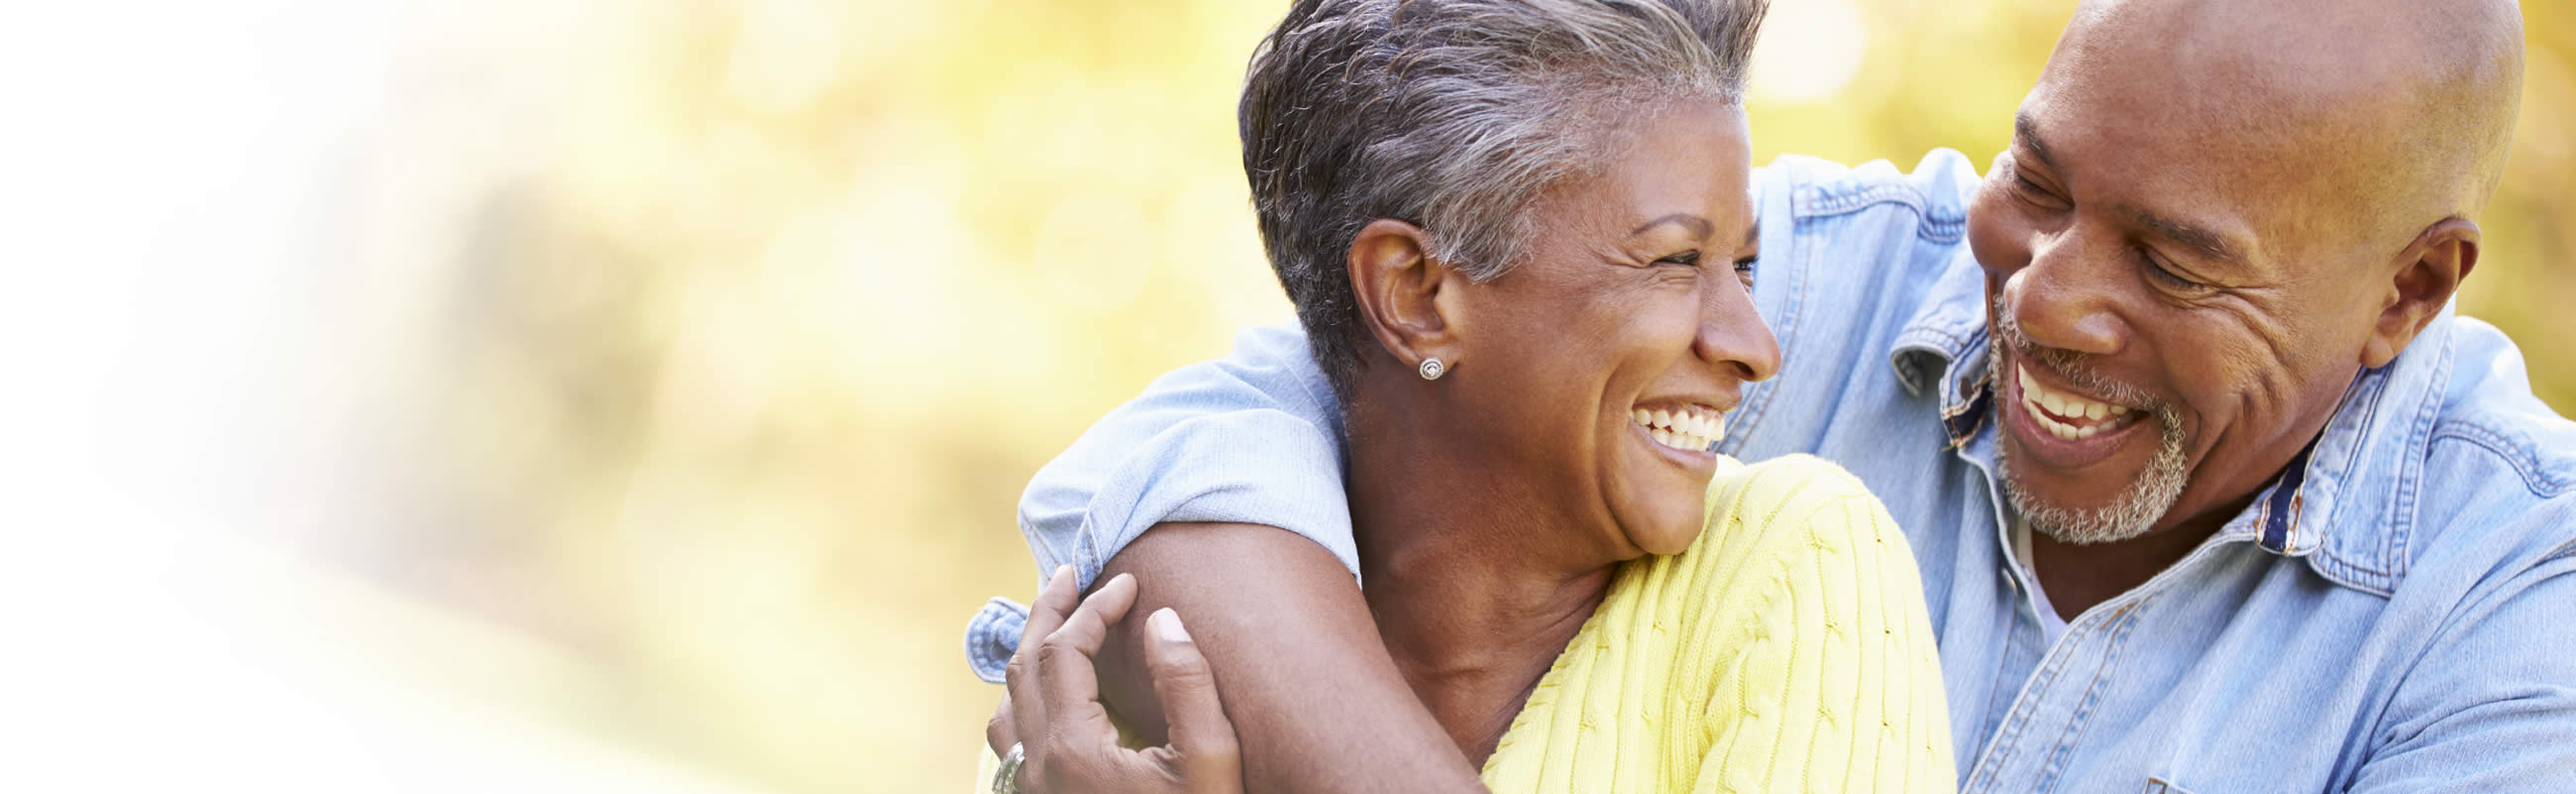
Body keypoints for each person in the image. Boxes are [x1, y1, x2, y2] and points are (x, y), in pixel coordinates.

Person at [969, 0, 2576, 791]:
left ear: (2409, 292)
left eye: (2175, 262)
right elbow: (1217, 453)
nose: (2050, 295)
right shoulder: (1813, 271)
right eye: (2041, 177)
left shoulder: (2518, 613)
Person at [972, 1, 1962, 792]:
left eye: (1741, 265)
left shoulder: (1793, 564)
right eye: (1672, 260)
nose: (1754, 346)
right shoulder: (1129, 676)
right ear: (1415, 296)